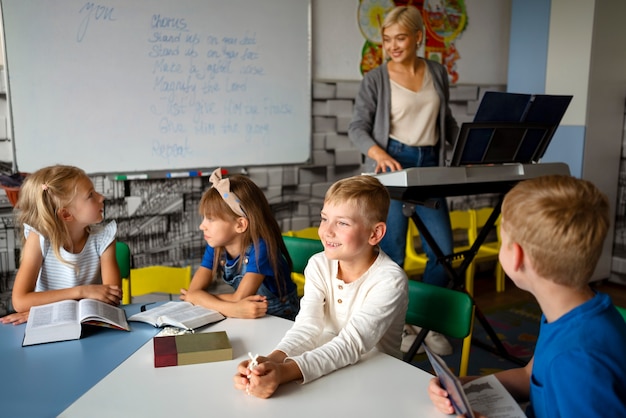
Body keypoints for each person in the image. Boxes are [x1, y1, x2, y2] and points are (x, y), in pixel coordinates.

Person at [428, 175, 626, 418]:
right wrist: (462, 386)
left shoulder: (577, 361)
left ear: (517, 257)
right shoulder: (568, 311)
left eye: (503, 241)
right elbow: (529, 377)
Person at [233, 175, 408, 399]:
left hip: (378, 382)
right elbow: (307, 327)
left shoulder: (389, 280)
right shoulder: (319, 264)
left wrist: (284, 372)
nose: (327, 231)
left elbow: (350, 344)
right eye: (324, 218)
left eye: (342, 223)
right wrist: (269, 362)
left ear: (375, 233)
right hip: (332, 371)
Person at [348, 5, 458, 355]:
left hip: (430, 164)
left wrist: (468, 150)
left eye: (400, 38)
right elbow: (357, 127)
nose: (393, 45)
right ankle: (400, 324)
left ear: (417, 37)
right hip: (390, 165)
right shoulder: (375, 79)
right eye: (386, 39)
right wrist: (378, 154)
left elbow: (447, 122)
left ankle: (429, 323)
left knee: (443, 252)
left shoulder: (437, 72)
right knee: (391, 252)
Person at [0, 165, 122, 326]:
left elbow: (112, 299)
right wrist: (82, 291)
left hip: (87, 325)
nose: (101, 197)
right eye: (90, 195)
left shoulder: (104, 239)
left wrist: (46, 310)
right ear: (66, 214)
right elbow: (20, 302)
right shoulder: (39, 239)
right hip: (47, 327)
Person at [180, 168, 299, 320]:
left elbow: (239, 298)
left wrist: (200, 299)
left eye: (210, 219)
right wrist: (233, 308)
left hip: (281, 317)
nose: (202, 226)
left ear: (240, 225)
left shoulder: (261, 248)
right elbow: (194, 291)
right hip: (251, 316)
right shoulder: (216, 245)